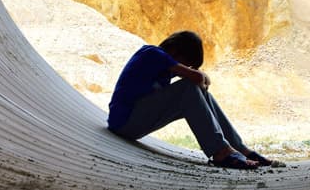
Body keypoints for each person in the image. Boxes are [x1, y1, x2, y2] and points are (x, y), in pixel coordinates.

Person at [107, 30, 282, 168]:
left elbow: (201, 81)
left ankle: (240, 149)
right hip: (124, 122)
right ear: (175, 49)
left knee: (198, 92)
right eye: (186, 62)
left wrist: (199, 80)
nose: (184, 67)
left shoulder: (162, 69)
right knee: (188, 87)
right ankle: (221, 151)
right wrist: (196, 75)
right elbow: (198, 78)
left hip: (133, 123)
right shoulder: (152, 53)